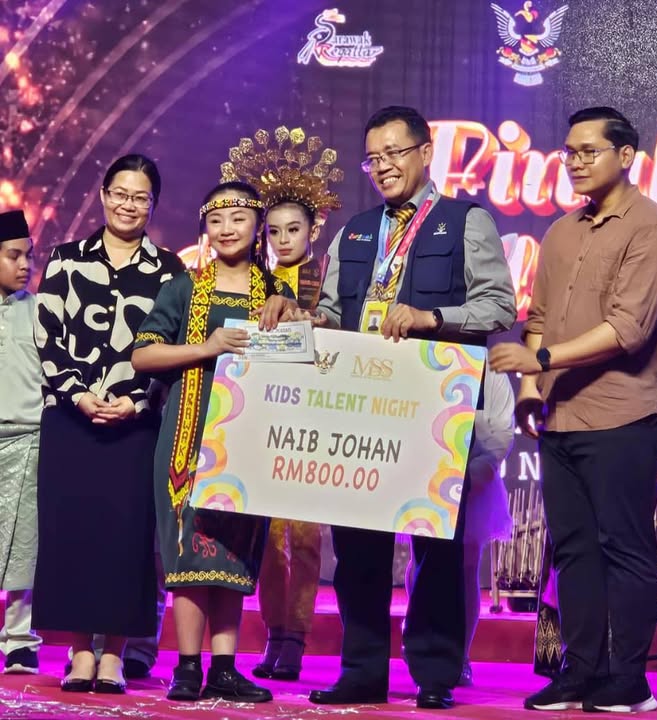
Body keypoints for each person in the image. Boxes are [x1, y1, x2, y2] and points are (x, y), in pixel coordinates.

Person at [292, 105, 517, 710]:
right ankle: (362, 671)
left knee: (436, 547)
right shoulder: (355, 231)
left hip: (433, 407)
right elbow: (334, 317)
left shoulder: (465, 221)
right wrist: (304, 320)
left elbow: (499, 306)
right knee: (357, 549)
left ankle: (436, 674)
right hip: (359, 407)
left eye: (394, 153)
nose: (384, 166)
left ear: (425, 153)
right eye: (373, 158)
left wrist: (431, 317)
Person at [489, 106, 657, 713]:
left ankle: (629, 681)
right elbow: (540, 317)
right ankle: (580, 672)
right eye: (569, 152)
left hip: (627, 412)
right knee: (572, 547)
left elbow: (628, 330)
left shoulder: (652, 229)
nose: (574, 162)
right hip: (561, 415)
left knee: (623, 546)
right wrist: (531, 388)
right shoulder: (561, 232)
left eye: (588, 151)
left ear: (625, 156)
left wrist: (541, 359)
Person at [132, 180, 296, 703]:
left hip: (248, 441)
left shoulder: (277, 295)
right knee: (186, 552)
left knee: (234, 553)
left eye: (238, 219)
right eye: (217, 219)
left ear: (258, 226)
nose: (227, 229)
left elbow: (299, 360)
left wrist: (297, 317)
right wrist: (207, 347)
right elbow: (143, 355)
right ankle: (186, 666)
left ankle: (224, 667)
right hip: (186, 436)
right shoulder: (183, 288)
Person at [32, 154, 184, 694]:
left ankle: (115, 655)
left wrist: (137, 402)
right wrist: (78, 394)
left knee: (127, 536)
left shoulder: (171, 271)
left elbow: (172, 346)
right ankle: (79, 652)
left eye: (140, 197)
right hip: (70, 420)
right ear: (102, 195)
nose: (128, 205)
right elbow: (47, 336)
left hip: (135, 424)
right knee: (73, 530)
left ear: (153, 205)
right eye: (120, 193)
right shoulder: (66, 260)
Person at [217, 127, 342, 682]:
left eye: (294, 229)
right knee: (267, 538)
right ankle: (273, 633)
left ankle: (297, 637)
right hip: (263, 418)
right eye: (273, 230)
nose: (283, 239)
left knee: (307, 536)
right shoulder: (253, 279)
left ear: (315, 229)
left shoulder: (330, 281)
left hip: (315, 418)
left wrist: (318, 321)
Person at [405, 362, 514, 686]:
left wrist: (471, 475)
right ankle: (419, 636)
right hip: (425, 474)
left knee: (467, 565)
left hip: (474, 480)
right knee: (421, 558)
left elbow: (501, 434)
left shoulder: (493, 372)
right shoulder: (428, 360)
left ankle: (460, 653)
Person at [0, 210, 42, 675]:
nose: (25, 265)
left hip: (30, 436)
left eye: (28, 256)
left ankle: (19, 639)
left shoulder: (40, 310)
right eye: (14, 256)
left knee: (23, 542)